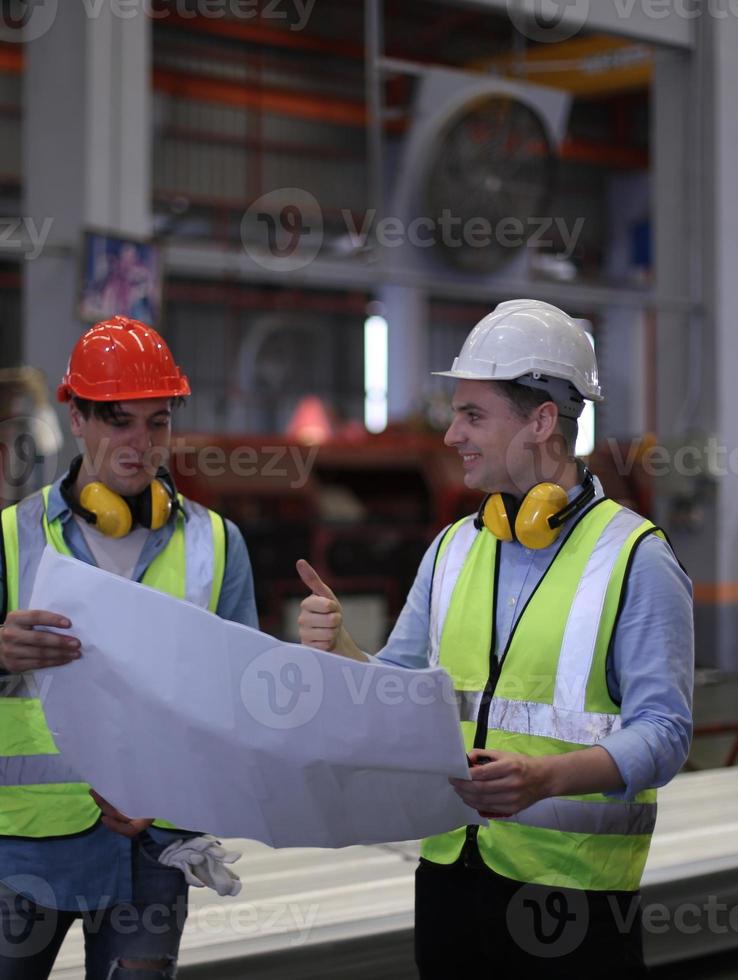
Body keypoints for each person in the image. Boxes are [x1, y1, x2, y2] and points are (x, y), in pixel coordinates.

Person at [296, 299, 693, 978]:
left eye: (473, 415)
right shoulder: (455, 548)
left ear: (541, 421)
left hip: (573, 896)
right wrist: (343, 652)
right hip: (451, 874)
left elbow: (664, 732)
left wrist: (547, 778)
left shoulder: (635, 558)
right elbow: (401, 685)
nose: (452, 436)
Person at [0, 316, 258, 979]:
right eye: (118, 421)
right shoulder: (10, 537)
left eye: (156, 422)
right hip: (23, 854)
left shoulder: (216, 545)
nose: (139, 444)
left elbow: (239, 710)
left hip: (152, 853)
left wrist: (166, 791)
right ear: (75, 416)